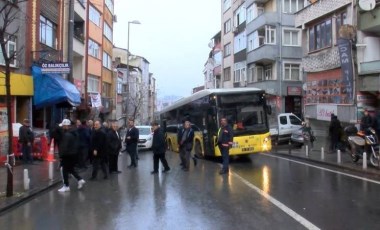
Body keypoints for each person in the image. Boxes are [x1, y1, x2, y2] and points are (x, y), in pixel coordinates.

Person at [57, 119, 85, 192]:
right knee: (70, 169)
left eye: (63, 126)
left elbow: (64, 146)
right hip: (74, 154)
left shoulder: (66, 135)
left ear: (66, 126)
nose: (62, 127)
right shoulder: (74, 133)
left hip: (67, 155)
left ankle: (66, 185)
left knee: (64, 169)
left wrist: (61, 156)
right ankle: (80, 179)